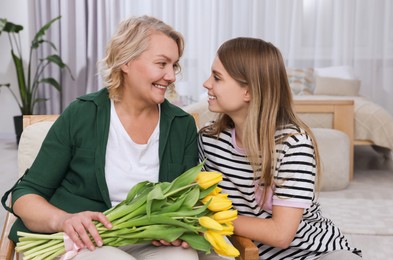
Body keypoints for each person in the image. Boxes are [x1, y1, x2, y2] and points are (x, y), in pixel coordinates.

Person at [2, 16, 226, 260]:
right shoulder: (82, 114)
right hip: (88, 240)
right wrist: (64, 220)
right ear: (126, 62)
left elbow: (186, 199)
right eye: (162, 64)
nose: (171, 76)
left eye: (174, 66)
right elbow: (24, 195)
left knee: (181, 257)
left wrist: (176, 226)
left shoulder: (180, 125)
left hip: (147, 239)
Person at [198, 37, 363, 259]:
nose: (206, 83)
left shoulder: (293, 145)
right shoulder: (209, 140)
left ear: (249, 91)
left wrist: (210, 218)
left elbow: (280, 234)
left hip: (314, 253)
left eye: (217, 77)